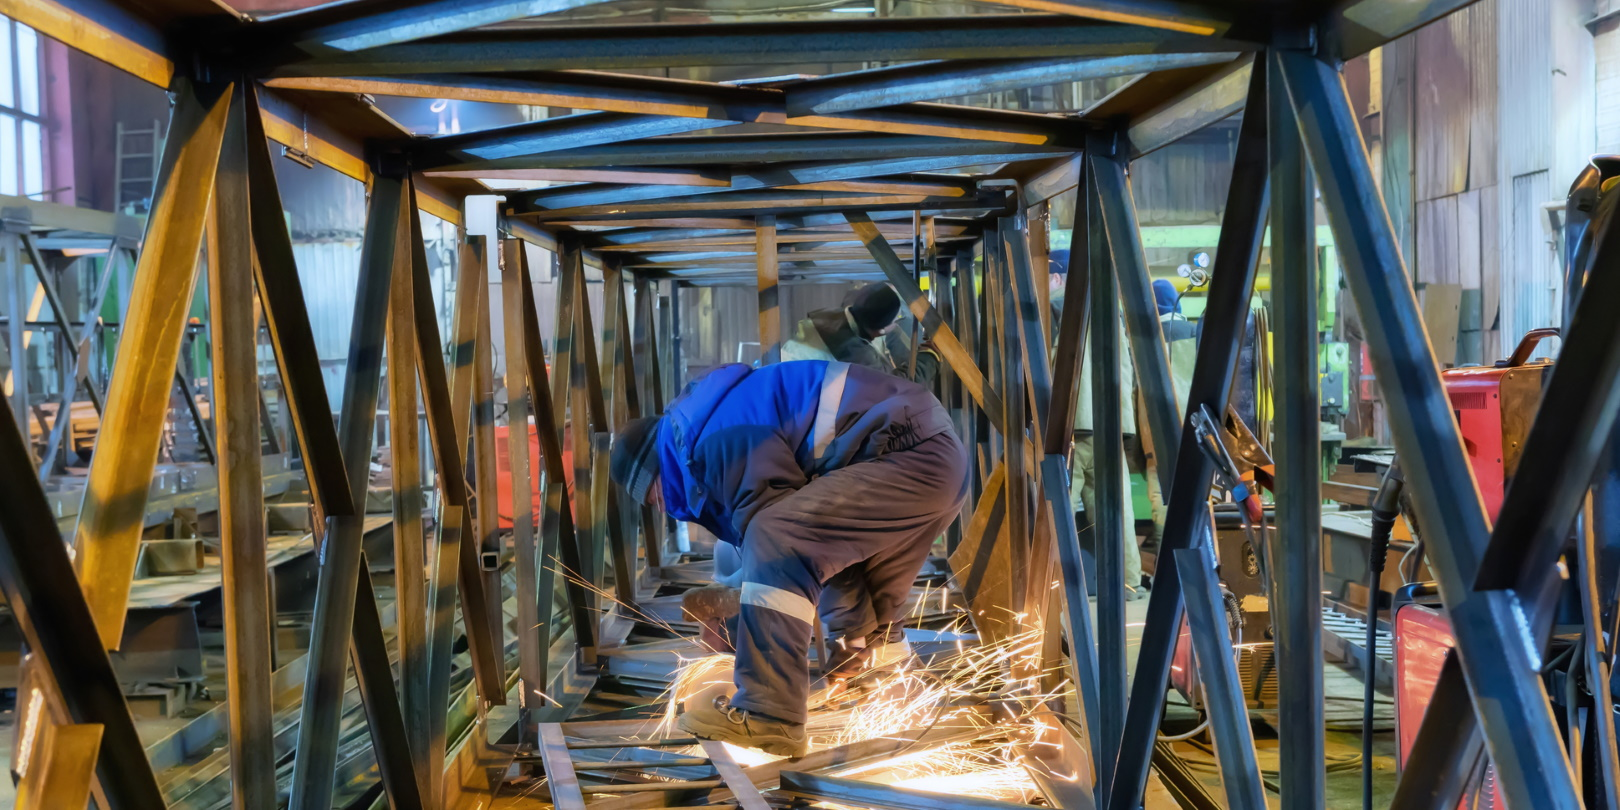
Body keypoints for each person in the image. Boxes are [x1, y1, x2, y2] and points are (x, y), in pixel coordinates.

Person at [610, 359, 968, 756]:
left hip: (906, 454)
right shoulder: (716, 428)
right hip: (931, 461)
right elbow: (823, 554)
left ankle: (769, 714)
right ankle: (885, 685)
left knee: (773, 534)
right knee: (877, 618)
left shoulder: (716, 442)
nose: (659, 506)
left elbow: (786, 552)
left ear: (658, 469)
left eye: (652, 494)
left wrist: (735, 621)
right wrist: (850, 644)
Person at [1050, 250, 1145, 600]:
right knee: (1115, 513)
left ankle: (1044, 589)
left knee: (1055, 513)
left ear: (1059, 279)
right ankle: (1128, 583)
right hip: (1108, 426)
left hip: (1071, 429)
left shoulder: (1058, 311)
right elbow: (1125, 371)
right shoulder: (1112, 311)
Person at [781, 283, 940, 384]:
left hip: (785, 379)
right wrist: (930, 356)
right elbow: (895, 387)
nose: (899, 321)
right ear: (881, 331)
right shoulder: (855, 354)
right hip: (796, 399)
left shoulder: (832, 316)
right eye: (897, 319)